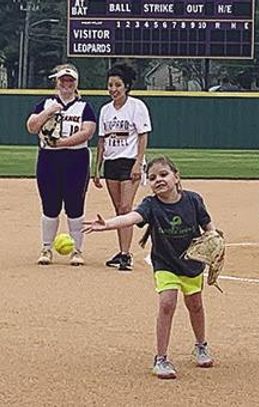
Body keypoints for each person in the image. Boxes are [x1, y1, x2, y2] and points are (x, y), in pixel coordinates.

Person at [83, 156, 216, 379]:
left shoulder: (193, 200)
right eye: (152, 177)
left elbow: (207, 225)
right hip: (165, 263)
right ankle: (161, 358)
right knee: (167, 303)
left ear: (177, 176)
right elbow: (132, 218)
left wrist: (214, 238)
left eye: (164, 175)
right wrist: (107, 224)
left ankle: (201, 345)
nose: (158, 180)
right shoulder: (151, 205)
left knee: (195, 304)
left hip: (191, 264)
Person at [26, 64, 97, 266]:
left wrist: (61, 143)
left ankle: (77, 250)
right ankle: (46, 248)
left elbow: (87, 131)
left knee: (75, 205)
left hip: (76, 159)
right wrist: (48, 112)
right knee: (50, 204)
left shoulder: (84, 107)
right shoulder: (46, 103)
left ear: (76, 83)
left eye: (70, 80)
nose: (66, 84)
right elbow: (31, 126)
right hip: (49, 159)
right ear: (57, 82)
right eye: (63, 80)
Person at [93, 63, 151, 271]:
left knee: (126, 207)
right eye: (110, 85)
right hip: (111, 162)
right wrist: (97, 168)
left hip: (129, 161)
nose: (113, 89)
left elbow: (143, 136)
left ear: (126, 86)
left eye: (117, 85)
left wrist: (138, 162)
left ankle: (127, 255)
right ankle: (122, 251)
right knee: (119, 210)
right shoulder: (105, 110)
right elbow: (101, 140)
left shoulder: (137, 106)